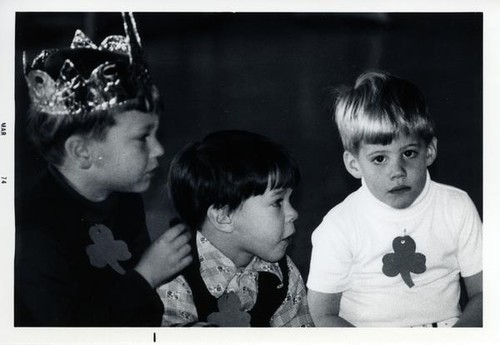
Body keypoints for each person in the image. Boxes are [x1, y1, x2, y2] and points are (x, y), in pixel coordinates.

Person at [15, 13, 192, 326]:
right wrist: (147, 275)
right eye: (142, 138)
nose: (159, 150)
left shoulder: (123, 197)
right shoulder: (33, 231)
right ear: (82, 152)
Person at [307, 71, 482, 327]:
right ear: (354, 164)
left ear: (430, 151)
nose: (397, 171)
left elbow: (485, 293)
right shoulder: (339, 226)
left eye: (409, 153)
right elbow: (322, 314)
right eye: (379, 158)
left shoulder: (456, 207)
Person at [157, 130, 314, 327]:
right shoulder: (173, 277)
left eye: (290, 200)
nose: (293, 213)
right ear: (224, 217)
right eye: (277, 202)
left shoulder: (283, 274)